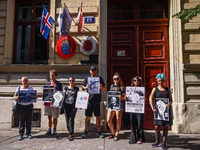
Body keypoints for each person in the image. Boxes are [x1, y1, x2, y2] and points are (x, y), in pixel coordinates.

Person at [149, 73, 173, 150]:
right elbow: (150, 98)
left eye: (162, 81)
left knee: (165, 127)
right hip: (157, 111)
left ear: (164, 81)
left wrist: (169, 104)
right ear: (157, 81)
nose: (160, 82)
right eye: (159, 81)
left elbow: (171, 100)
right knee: (157, 127)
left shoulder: (167, 90)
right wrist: (153, 108)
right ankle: (157, 141)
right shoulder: (155, 89)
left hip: (166, 111)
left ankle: (164, 143)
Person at [81, 66, 106, 138]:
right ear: (90, 71)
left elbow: (104, 89)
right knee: (87, 116)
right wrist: (86, 87)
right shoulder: (87, 78)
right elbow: (83, 88)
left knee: (98, 116)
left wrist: (101, 87)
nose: (93, 71)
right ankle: (86, 131)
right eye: (92, 70)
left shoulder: (99, 78)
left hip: (97, 100)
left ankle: (99, 131)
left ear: (96, 71)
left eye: (94, 70)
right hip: (89, 100)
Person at [107, 73, 126, 141]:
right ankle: (112, 133)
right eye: (115, 79)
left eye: (117, 79)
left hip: (119, 104)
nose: (116, 80)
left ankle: (117, 134)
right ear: (113, 79)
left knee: (118, 119)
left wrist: (121, 98)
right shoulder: (111, 86)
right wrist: (108, 97)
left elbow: (125, 97)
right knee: (108, 120)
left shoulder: (122, 87)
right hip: (111, 104)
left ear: (119, 79)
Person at [44, 70, 63, 136]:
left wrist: (59, 103)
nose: (51, 76)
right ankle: (49, 130)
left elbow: (61, 94)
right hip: (48, 103)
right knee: (49, 117)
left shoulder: (59, 84)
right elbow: (45, 92)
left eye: (53, 75)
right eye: (50, 75)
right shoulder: (47, 84)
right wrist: (44, 94)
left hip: (55, 103)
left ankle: (54, 130)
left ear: (56, 76)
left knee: (55, 117)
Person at [129, 76, 146, 144]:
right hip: (132, 108)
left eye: (138, 80)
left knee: (140, 123)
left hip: (139, 109)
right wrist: (123, 97)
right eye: (135, 80)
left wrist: (144, 98)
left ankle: (140, 137)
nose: (136, 82)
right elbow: (127, 98)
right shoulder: (130, 89)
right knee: (133, 124)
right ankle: (133, 138)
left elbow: (145, 98)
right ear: (133, 81)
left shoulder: (142, 89)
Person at [63, 77, 79, 141]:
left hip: (73, 106)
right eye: (70, 80)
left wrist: (80, 104)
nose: (71, 81)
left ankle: (71, 134)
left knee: (71, 119)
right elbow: (63, 96)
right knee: (67, 119)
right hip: (66, 105)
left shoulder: (76, 88)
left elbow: (78, 97)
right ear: (68, 81)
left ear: (74, 81)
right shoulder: (66, 88)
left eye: (72, 80)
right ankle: (70, 131)